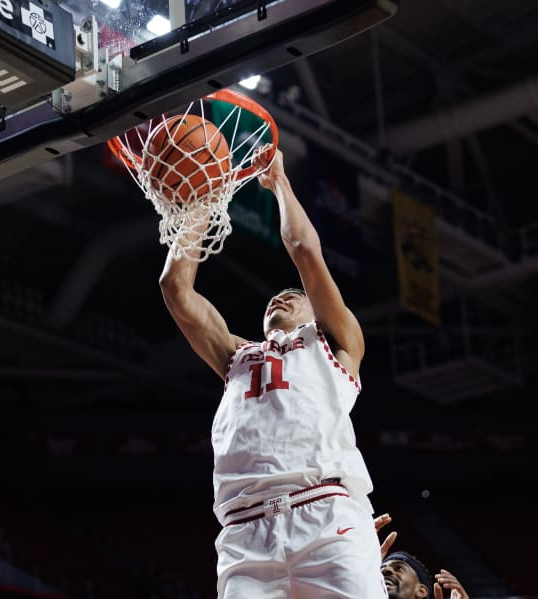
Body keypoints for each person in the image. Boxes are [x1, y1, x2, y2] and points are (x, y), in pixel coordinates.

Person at [159, 147, 386, 598]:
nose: (278, 299)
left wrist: (278, 182)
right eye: (273, 298)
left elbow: (304, 250)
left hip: (324, 515)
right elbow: (175, 289)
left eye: (291, 296)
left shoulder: (336, 343)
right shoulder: (235, 355)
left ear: (313, 310)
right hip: (245, 536)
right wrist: (205, 201)